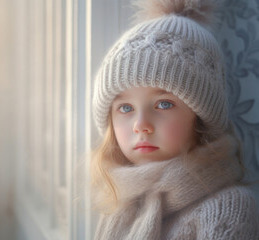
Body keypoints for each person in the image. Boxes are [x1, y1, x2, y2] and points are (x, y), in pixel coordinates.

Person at [90, 0, 259, 239]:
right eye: (125, 107)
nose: (141, 125)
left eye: (164, 104)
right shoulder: (121, 202)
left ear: (200, 118)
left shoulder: (227, 206)